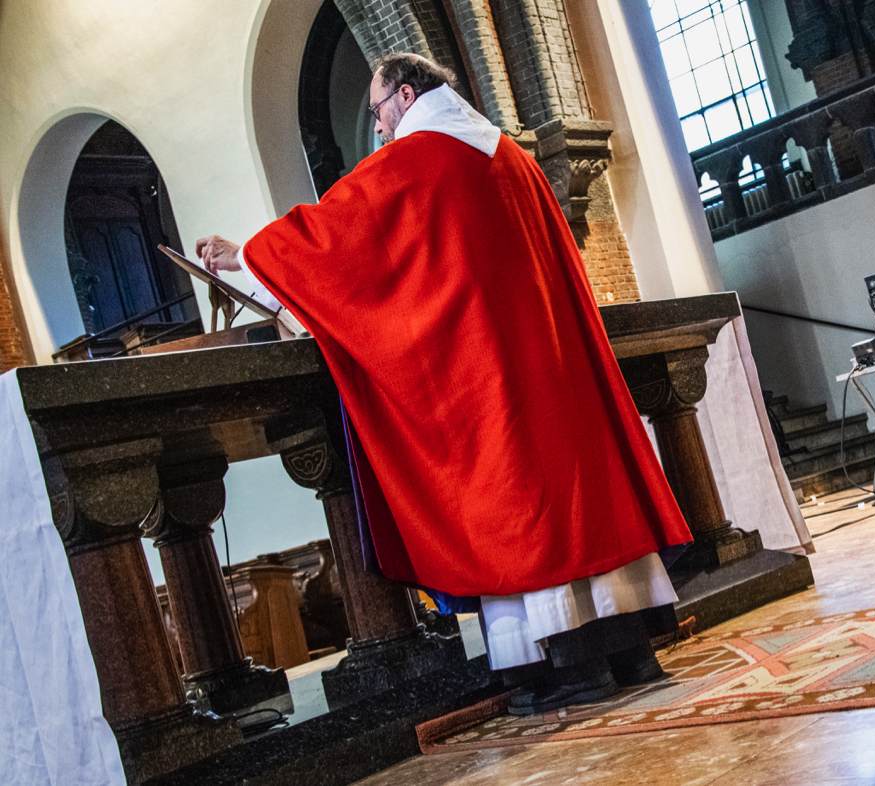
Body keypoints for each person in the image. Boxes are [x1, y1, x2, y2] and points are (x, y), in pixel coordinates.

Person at [196, 53, 692, 715]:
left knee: (523, 510)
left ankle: (575, 667)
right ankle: (628, 651)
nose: (377, 129)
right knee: (582, 505)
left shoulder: (419, 158)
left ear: (406, 95)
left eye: (378, 111)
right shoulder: (509, 156)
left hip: (493, 381)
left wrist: (247, 253)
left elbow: (339, 237)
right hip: (553, 370)